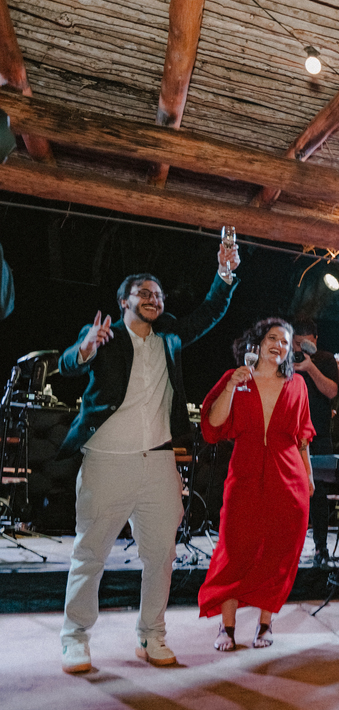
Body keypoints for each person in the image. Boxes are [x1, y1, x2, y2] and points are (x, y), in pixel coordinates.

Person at [56, 246, 238, 674]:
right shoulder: (104, 335)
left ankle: (151, 635)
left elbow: (210, 312)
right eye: (144, 293)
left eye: (158, 295)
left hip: (158, 462)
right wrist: (85, 348)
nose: (154, 299)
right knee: (90, 553)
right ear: (124, 301)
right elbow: (67, 365)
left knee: (161, 555)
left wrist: (225, 274)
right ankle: (75, 638)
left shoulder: (170, 336)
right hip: (106, 460)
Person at [198, 319, 315, 650]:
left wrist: (308, 476)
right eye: (272, 338)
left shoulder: (297, 385)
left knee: (278, 552)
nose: (279, 345)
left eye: (285, 341)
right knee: (234, 548)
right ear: (258, 343)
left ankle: (265, 624)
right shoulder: (237, 378)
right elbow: (214, 424)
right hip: (245, 472)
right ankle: (227, 627)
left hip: (288, 476)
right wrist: (230, 387)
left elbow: (303, 437)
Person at [291, 318, 339, 566]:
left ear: (316, 340)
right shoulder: (285, 358)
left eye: (306, 344)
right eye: (297, 344)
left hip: (318, 434)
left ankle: (321, 547)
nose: (301, 349)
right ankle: (287, 547)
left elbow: (332, 391)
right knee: (288, 492)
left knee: (318, 493)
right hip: (289, 435)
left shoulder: (325, 359)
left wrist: (310, 367)